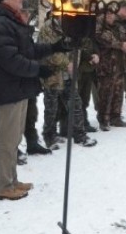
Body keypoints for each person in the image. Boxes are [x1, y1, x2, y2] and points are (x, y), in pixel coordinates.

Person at [0, 0, 66, 200]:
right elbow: (11, 60)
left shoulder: (10, 21)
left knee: (14, 138)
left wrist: (53, 47)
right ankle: (2, 186)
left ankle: (12, 180)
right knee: (6, 140)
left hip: (18, 88)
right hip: (7, 89)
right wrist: (38, 70)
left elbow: (28, 49)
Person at [38, 12, 97, 148]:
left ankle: (79, 134)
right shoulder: (48, 28)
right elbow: (49, 52)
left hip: (69, 75)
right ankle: (50, 136)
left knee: (76, 104)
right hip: (52, 75)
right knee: (51, 108)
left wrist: (74, 64)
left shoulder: (72, 26)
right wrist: (67, 64)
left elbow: (78, 47)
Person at [95, 1, 126, 129]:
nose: (111, 16)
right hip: (107, 66)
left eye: (112, 14)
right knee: (105, 93)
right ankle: (103, 119)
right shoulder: (100, 26)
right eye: (108, 14)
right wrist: (121, 45)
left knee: (118, 92)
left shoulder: (119, 27)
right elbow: (102, 38)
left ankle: (115, 117)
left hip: (120, 65)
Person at [76, 0, 101, 130]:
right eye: (90, 5)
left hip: (90, 67)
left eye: (94, 5)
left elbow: (94, 42)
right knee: (78, 96)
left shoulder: (92, 20)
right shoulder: (78, 20)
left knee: (85, 98)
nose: (92, 8)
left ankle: (83, 122)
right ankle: (77, 124)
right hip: (80, 65)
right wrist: (89, 56)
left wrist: (96, 54)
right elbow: (77, 43)